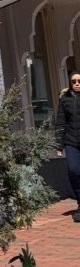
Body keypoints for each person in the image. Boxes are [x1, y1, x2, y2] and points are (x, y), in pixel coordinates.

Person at [55, 61, 80, 221]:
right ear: (70, 83)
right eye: (74, 82)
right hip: (71, 142)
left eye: (79, 81)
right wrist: (59, 144)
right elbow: (60, 122)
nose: (77, 84)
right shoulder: (64, 100)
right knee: (73, 171)